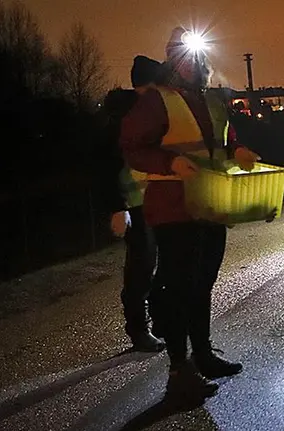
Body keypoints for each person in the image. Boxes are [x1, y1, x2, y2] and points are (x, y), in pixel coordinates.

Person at [120, 27, 261, 402]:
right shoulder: (157, 101)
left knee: (202, 285)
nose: (195, 63)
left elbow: (225, 140)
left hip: (211, 205)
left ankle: (202, 354)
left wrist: (239, 151)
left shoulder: (212, 100)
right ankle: (179, 368)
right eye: (186, 57)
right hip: (173, 209)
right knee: (179, 287)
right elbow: (132, 147)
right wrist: (170, 162)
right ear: (173, 60)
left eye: (199, 56)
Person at [101, 55, 166, 352]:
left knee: (161, 263)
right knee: (140, 268)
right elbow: (102, 165)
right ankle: (139, 330)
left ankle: (159, 318)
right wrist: (117, 206)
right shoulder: (123, 117)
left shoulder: (147, 112)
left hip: (157, 199)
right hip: (135, 203)